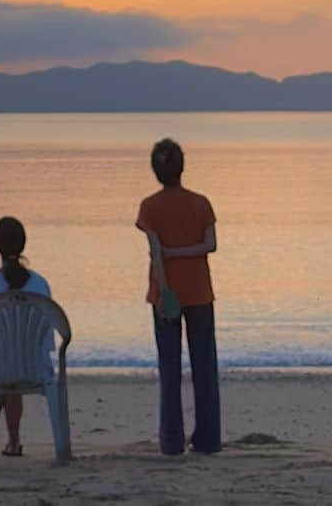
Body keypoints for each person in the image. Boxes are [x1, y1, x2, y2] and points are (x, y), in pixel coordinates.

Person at [135, 138, 221, 457]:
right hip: (199, 292)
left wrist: (165, 287)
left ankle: (172, 443)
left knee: (169, 371)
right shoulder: (201, 203)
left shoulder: (149, 207)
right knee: (204, 368)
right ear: (182, 167)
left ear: (156, 171)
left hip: (165, 294)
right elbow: (210, 244)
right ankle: (209, 441)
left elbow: (157, 253)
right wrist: (184, 253)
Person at [0, 216, 52, 457]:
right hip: (35, 366)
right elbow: (47, 329)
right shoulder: (40, 284)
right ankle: (13, 442)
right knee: (12, 361)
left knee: (4, 364)